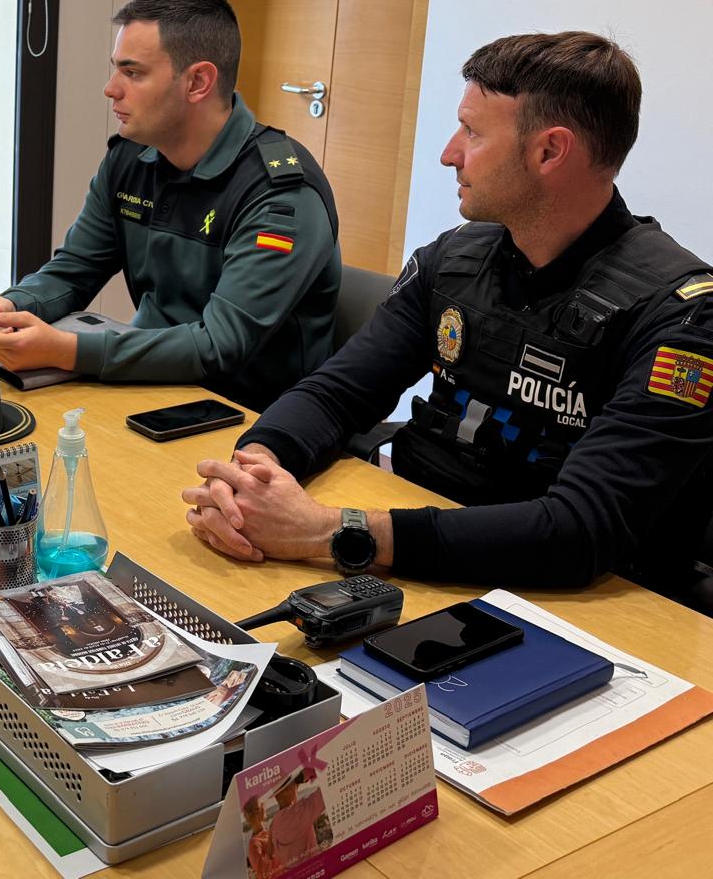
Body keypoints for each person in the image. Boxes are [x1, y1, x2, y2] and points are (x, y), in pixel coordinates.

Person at [183, 32, 713, 599]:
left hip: (562, 598)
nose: (449, 152)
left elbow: (580, 530)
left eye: (473, 132)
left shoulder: (681, 316)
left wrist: (328, 532)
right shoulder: (457, 257)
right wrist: (255, 471)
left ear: (550, 151)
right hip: (416, 543)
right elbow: (338, 392)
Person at [0, 0, 341, 409]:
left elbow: (220, 345)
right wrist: (8, 307)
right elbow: (75, 269)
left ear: (197, 82)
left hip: (252, 418)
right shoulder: (131, 159)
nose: (110, 88)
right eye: (115, 68)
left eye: (132, 72)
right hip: (147, 384)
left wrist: (67, 351)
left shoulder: (280, 194)